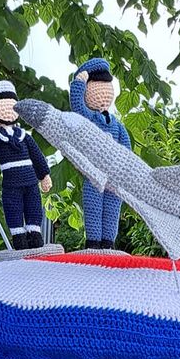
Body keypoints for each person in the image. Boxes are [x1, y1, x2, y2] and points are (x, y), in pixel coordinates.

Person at [0, 80, 52, 249]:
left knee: (34, 208)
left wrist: (44, 174)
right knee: (13, 209)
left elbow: (37, 155)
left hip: (31, 181)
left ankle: (35, 235)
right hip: (11, 183)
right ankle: (19, 238)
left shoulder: (24, 135)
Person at [69, 58, 131, 249]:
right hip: (94, 173)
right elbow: (77, 106)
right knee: (93, 208)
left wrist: (125, 166)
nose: (103, 94)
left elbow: (125, 145)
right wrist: (79, 83)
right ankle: (94, 243)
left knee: (113, 208)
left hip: (114, 175)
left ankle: (108, 244)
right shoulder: (88, 118)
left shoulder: (115, 124)